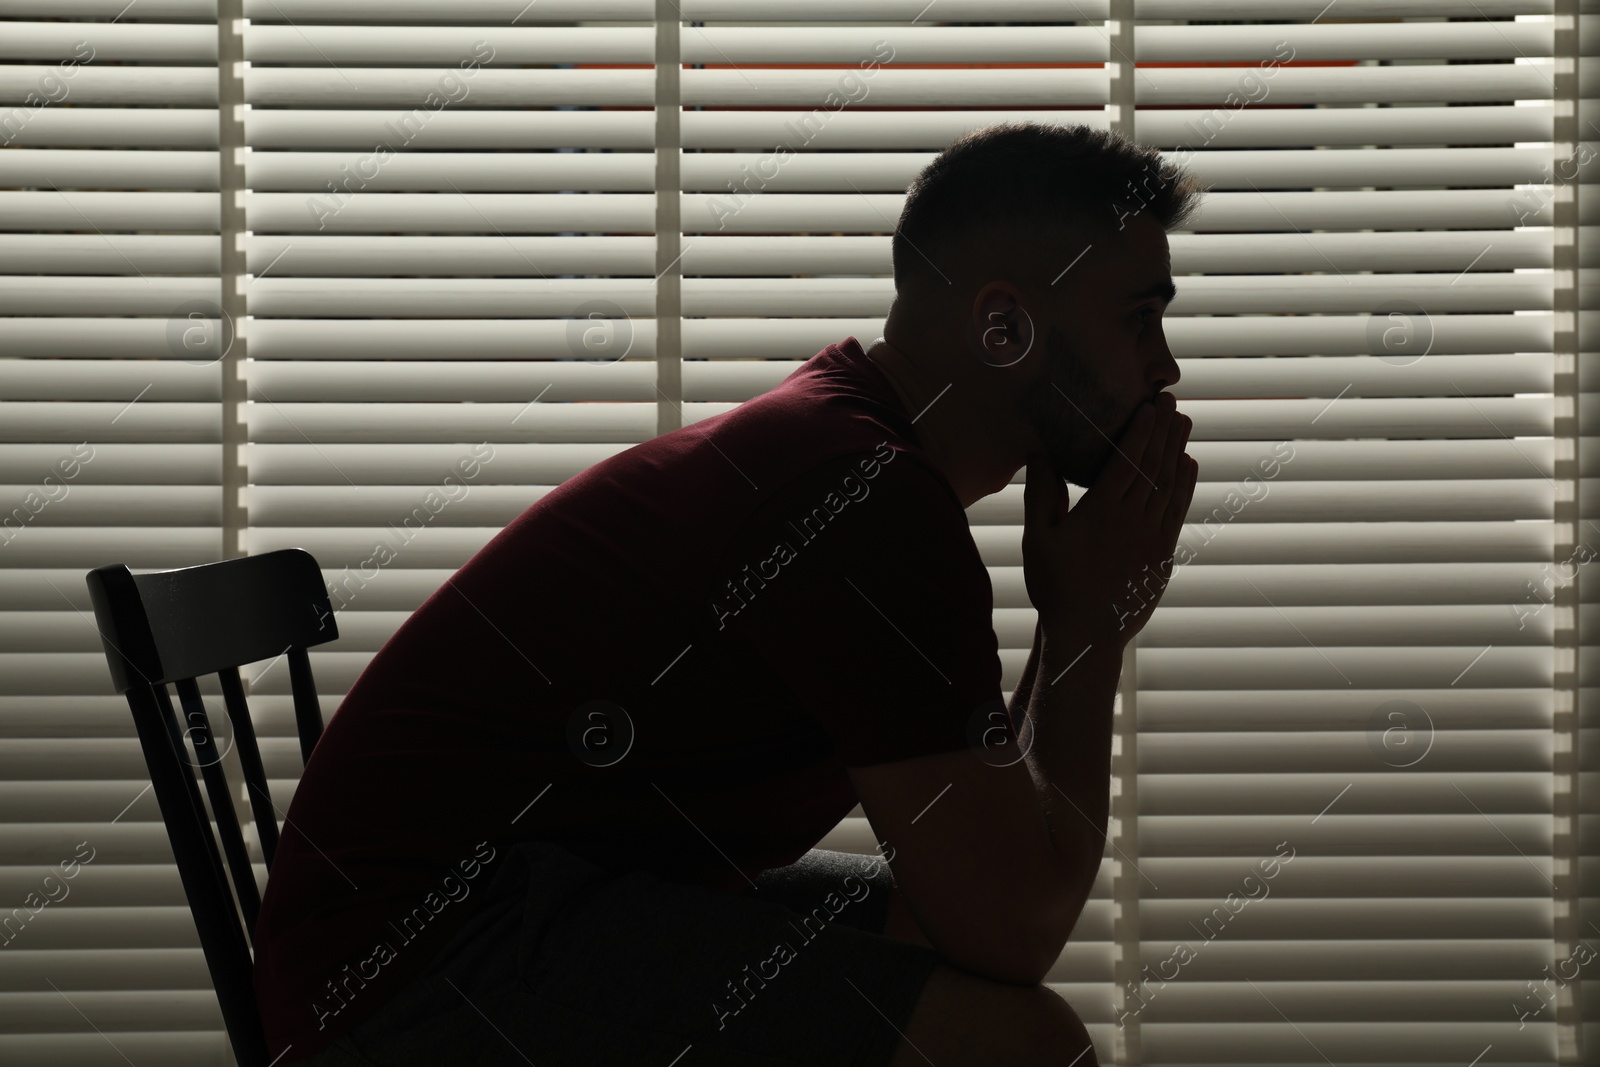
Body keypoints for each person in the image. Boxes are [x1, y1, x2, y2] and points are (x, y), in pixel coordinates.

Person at [255, 120, 1201, 1067]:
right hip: (418, 978)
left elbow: (989, 895)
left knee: (925, 928)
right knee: (1026, 1048)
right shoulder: (861, 503)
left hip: (529, 909)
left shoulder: (852, 452)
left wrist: (1078, 620)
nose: (1166, 367)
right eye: (1140, 318)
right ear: (1002, 328)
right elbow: (1016, 927)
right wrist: (1090, 626)